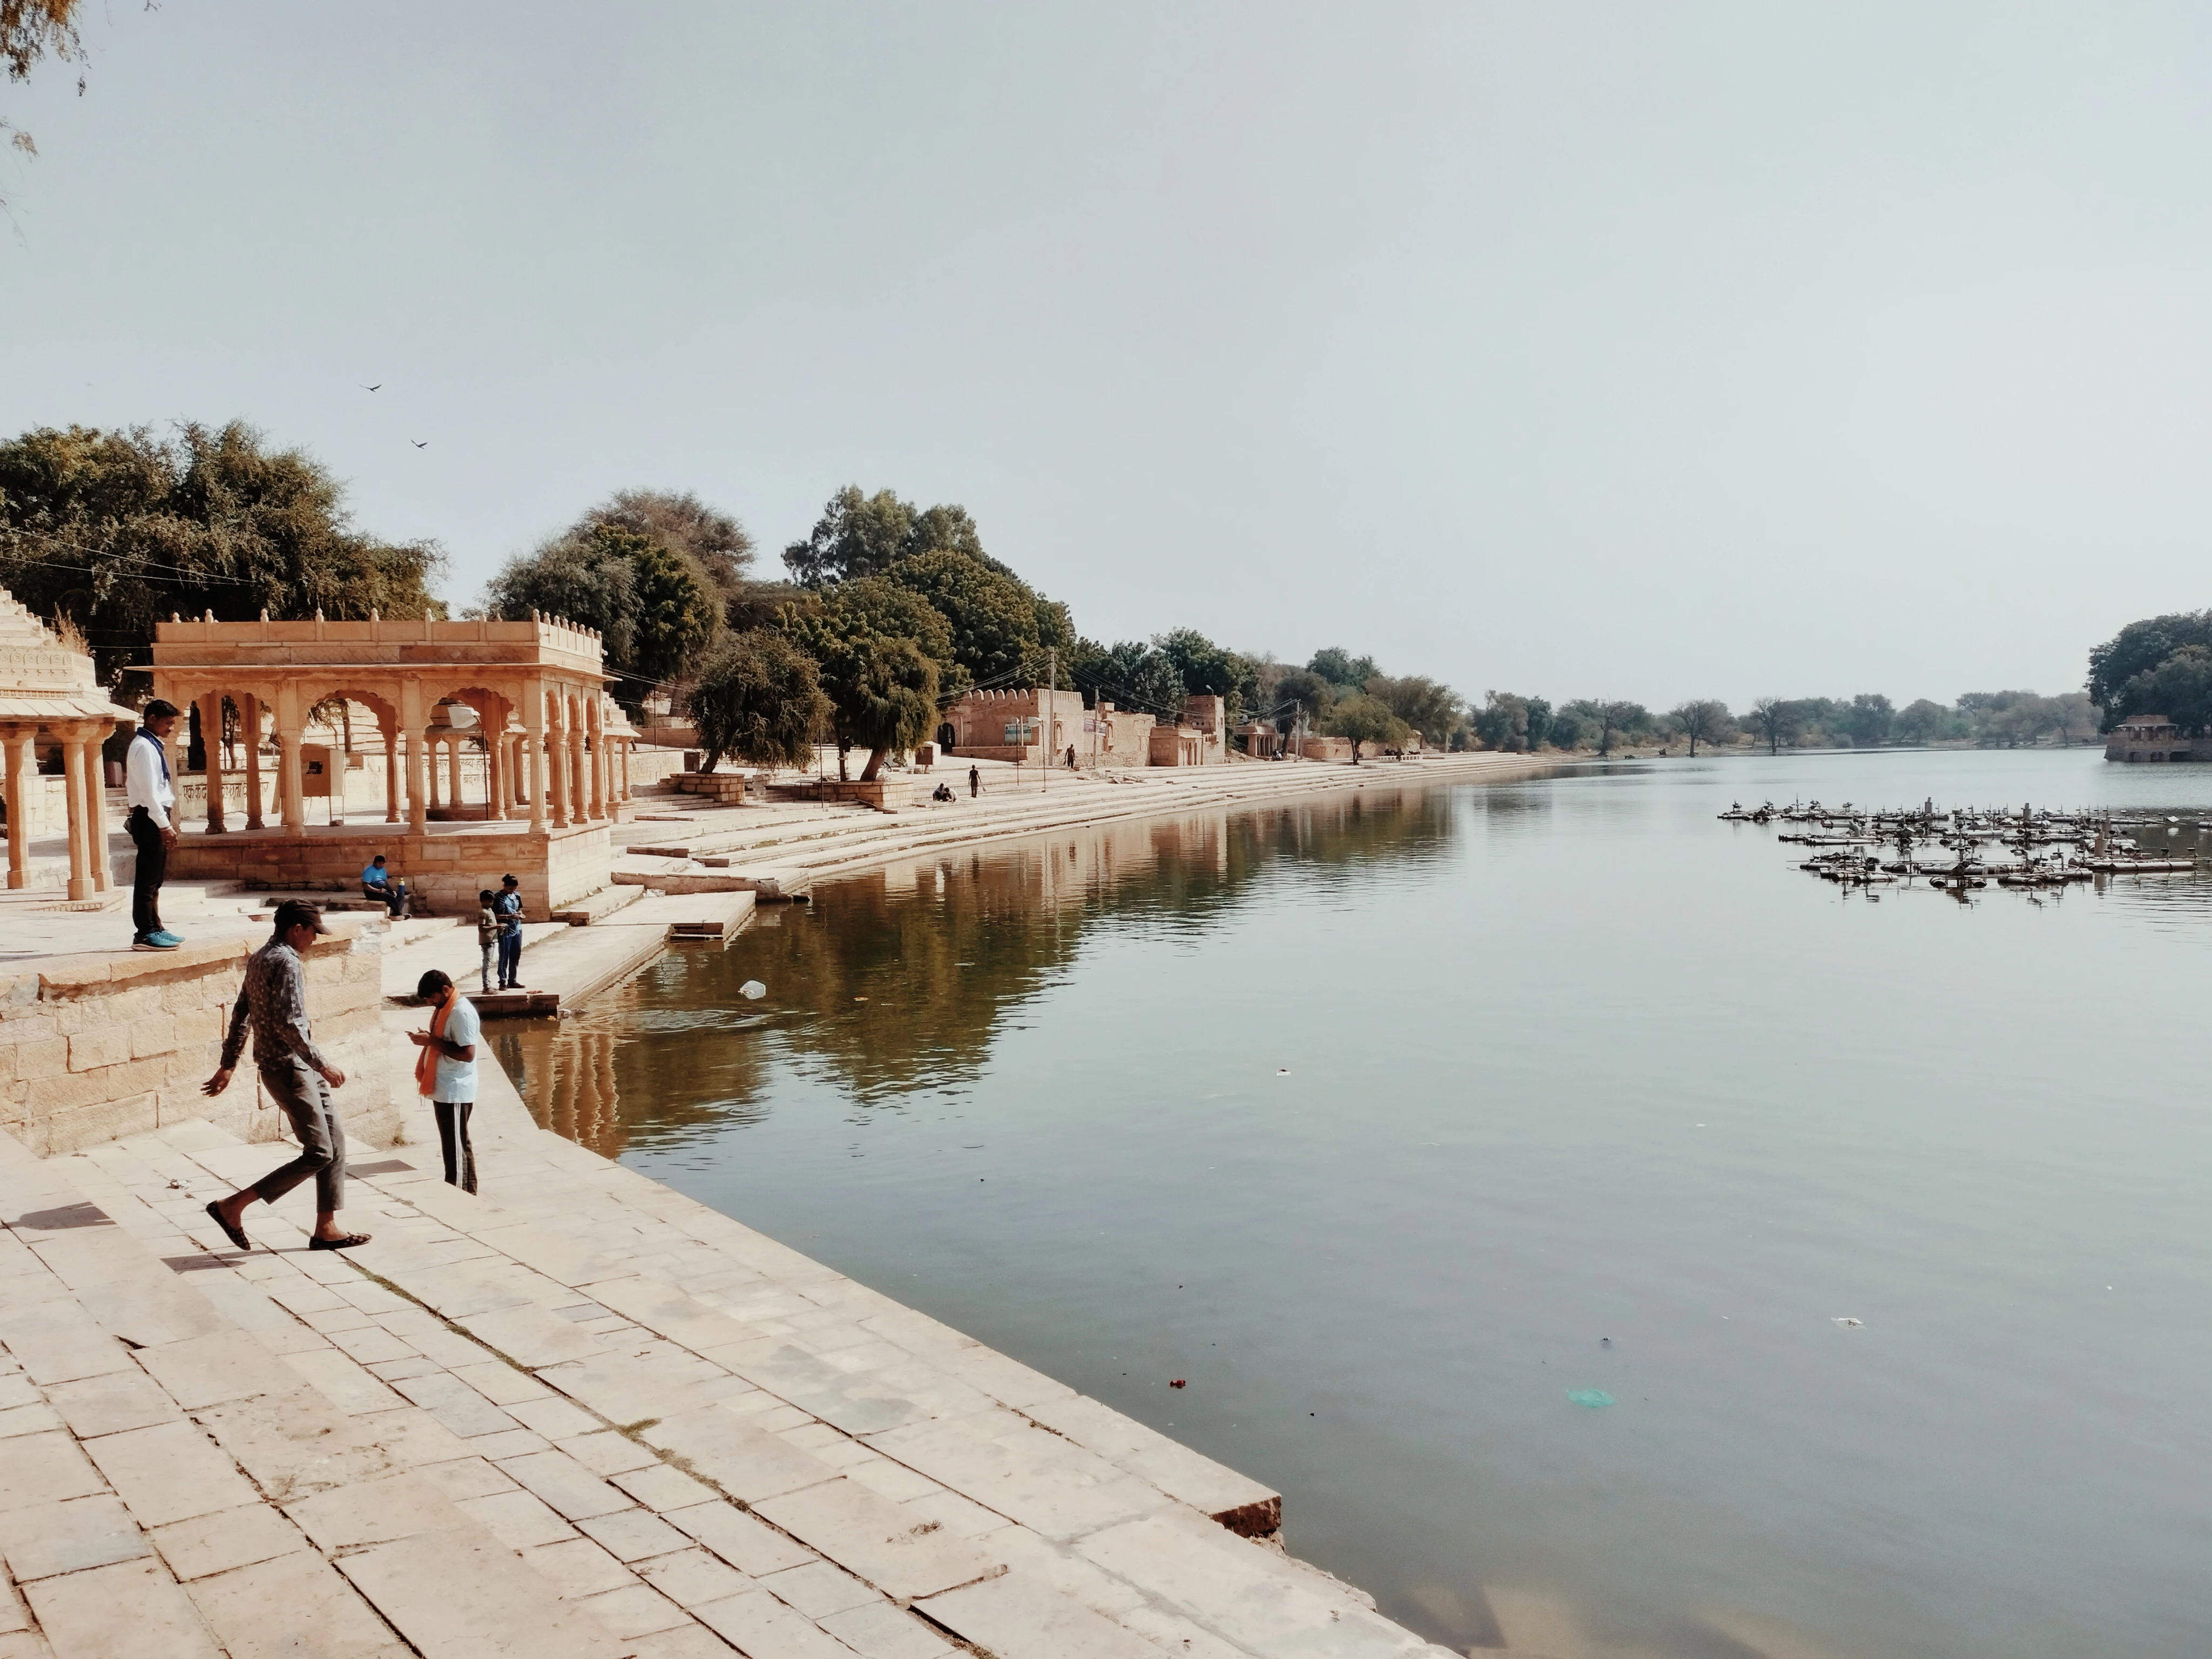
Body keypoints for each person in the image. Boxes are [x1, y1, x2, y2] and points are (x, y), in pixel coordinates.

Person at [200, 900, 368, 1252]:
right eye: (313, 932)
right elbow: (289, 1023)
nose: (315, 940)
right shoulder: (287, 961)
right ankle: (233, 1207)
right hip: (289, 1068)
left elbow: (241, 1014)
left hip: (292, 1066)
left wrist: (229, 1063)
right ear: (296, 929)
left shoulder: (260, 958)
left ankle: (327, 1228)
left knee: (335, 1139)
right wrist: (323, 1064)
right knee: (320, 1151)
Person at [410, 969, 480, 1193]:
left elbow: (467, 1054)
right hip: (444, 1087)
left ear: (446, 990)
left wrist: (431, 1041)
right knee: (455, 1145)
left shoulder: (461, 1013)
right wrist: (430, 1040)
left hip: (456, 1089)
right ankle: (467, 1191)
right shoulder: (445, 1008)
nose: (431, 1002)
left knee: (455, 1149)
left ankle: (458, 1194)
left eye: (432, 998)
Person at [125, 699, 184, 951]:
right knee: (148, 878)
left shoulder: (151, 745)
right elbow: (149, 793)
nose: (171, 728)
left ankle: (156, 926)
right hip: (150, 817)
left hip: (154, 815)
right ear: (151, 719)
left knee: (156, 876)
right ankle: (145, 932)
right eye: (168, 723)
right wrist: (164, 825)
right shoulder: (145, 748)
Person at [494, 874, 524, 989]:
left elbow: (519, 909)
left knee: (516, 954)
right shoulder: (498, 897)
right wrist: (508, 917)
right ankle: (503, 981)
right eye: (511, 889)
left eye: (514, 889)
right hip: (505, 929)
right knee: (504, 955)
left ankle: (513, 980)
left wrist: (520, 915)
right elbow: (495, 915)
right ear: (505, 886)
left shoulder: (516, 895)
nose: (513, 891)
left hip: (517, 928)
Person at [360, 855, 407, 919]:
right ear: (375, 863)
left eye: (383, 863)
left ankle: (395, 913)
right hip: (372, 891)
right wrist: (378, 891)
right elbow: (365, 885)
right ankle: (398, 914)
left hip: (383, 887)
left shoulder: (382, 869)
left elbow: (385, 881)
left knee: (401, 896)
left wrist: (391, 890)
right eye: (380, 863)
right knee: (391, 898)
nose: (381, 865)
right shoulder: (369, 871)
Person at [475, 889, 498, 992]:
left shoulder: (490, 911)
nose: (491, 904)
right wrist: (495, 927)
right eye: (489, 902)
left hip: (492, 940)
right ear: (483, 901)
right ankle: (486, 986)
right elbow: (481, 928)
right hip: (486, 942)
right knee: (487, 964)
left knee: (489, 963)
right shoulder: (483, 912)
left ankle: (488, 984)